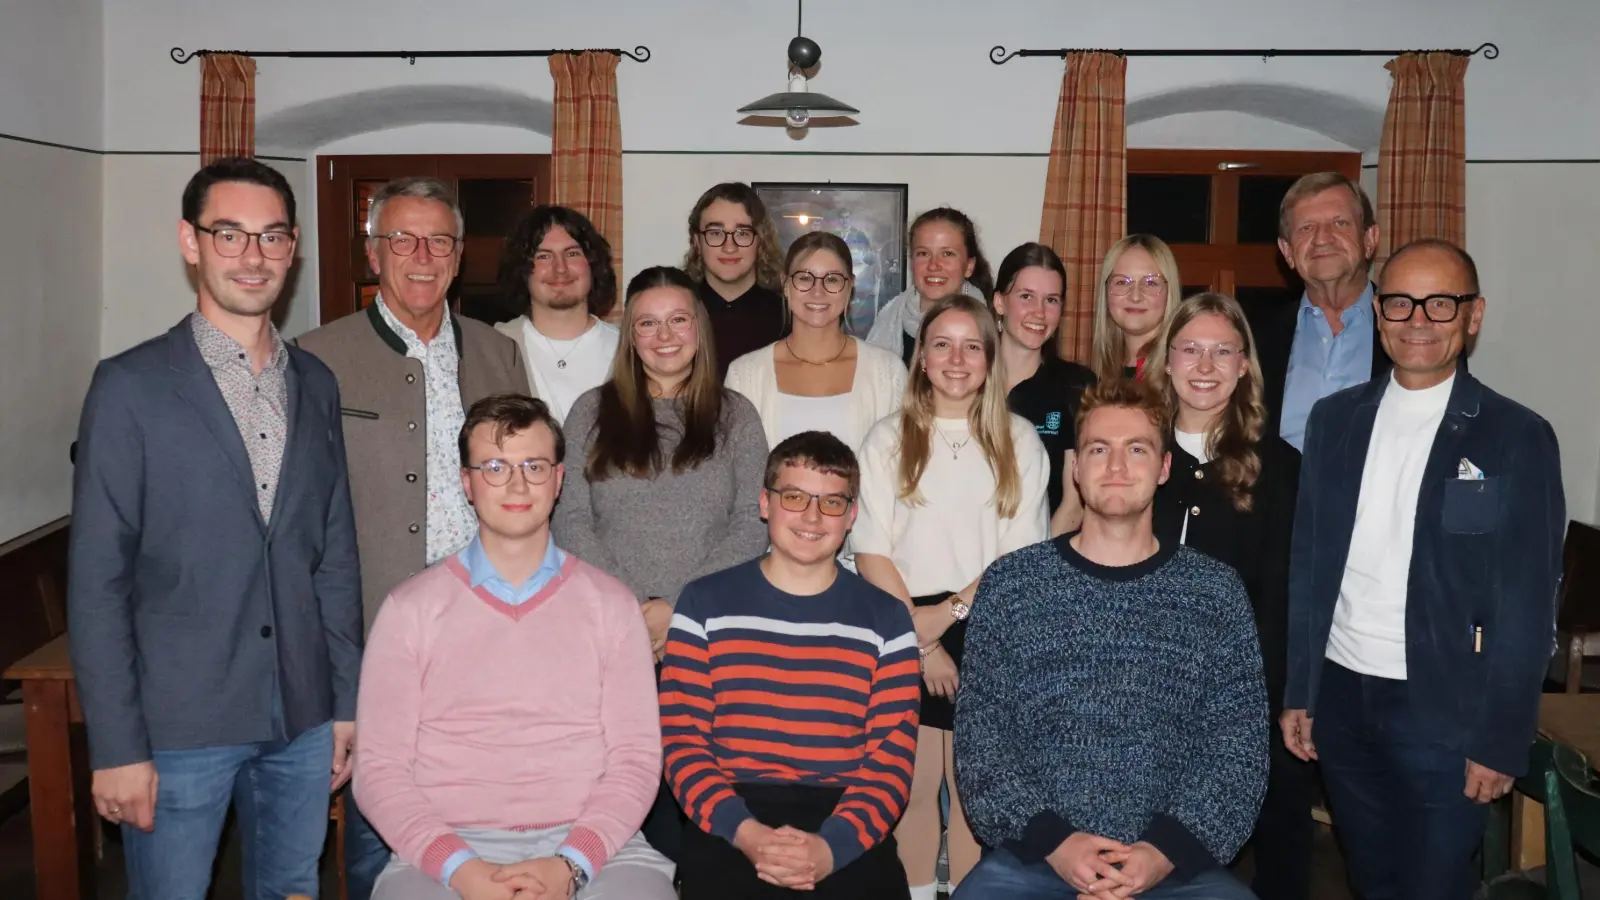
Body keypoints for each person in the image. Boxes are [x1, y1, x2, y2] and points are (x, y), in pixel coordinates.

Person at [68, 157, 363, 899]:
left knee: (292, 887)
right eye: (229, 234)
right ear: (190, 242)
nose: (252, 256)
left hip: (300, 716)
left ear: (294, 249)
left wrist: (344, 703)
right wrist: (117, 746)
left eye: (271, 236)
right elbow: (98, 581)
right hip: (178, 724)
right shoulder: (129, 386)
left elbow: (331, 558)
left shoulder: (317, 383)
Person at [1282, 238, 1565, 900]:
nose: (1417, 320)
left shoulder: (1515, 435)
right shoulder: (1334, 420)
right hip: (1345, 696)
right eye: (1401, 302)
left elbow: (1527, 601)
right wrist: (1302, 688)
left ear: (1474, 315)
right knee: (1372, 876)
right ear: (1378, 313)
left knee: (1434, 884)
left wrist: (1501, 737)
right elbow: (1310, 563)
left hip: (1446, 708)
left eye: (1440, 303)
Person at [296, 175, 528, 899]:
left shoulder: (499, 355)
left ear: (459, 257)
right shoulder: (315, 358)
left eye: (438, 240)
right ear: (373, 253)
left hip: (491, 628)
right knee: (381, 833)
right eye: (402, 238)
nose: (421, 255)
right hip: (373, 633)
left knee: (491, 811)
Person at [953, 378, 1268, 900]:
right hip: (1039, 860)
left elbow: (1237, 756)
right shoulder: (1013, 586)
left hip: (1174, 867)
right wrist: (1060, 845)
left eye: (1137, 449)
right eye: (1099, 449)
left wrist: (1159, 854)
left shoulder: (1215, 593)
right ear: (1075, 468)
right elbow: (982, 749)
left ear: (1164, 468)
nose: (1117, 466)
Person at [356, 394, 675, 900]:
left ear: (559, 478)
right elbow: (378, 770)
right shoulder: (408, 609)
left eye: (533, 465)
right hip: (444, 846)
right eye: (495, 467)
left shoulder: (610, 606)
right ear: (467, 482)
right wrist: (462, 870)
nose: (518, 484)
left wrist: (569, 865)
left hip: (595, 845)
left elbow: (636, 760)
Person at [554, 265, 771, 860]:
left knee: (701, 792)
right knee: (622, 790)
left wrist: (678, 609)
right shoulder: (589, 413)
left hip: (710, 635)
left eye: (678, 320)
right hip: (609, 632)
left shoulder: (737, 416)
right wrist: (636, 611)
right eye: (648, 323)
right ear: (630, 335)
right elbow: (570, 520)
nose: (665, 335)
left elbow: (753, 521)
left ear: (699, 329)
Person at [659, 431, 922, 898]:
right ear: (765, 503)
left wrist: (830, 848)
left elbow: (890, 761)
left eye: (832, 503)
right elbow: (683, 745)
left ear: (852, 515)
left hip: (847, 818)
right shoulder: (703, 603)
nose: (813, 517)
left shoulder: (887, 618)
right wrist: (748, 834)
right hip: (730, 817)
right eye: (795, 496)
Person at [854, 294, 1050, 897]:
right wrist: (919, 641)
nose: (956, 358)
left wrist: (948, 617)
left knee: (972, 793)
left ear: (990, 359)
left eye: (972, 346)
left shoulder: (1019, 440)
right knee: (910, 787)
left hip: (987, 624)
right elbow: (869, 549)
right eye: (941, 344)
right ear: (921, 358)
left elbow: (1018, 559)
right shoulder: (887, 438)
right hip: (898, 621)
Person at [1147, 293, 1308, 900]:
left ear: (1245, 366)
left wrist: (1285, 697)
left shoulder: (1281, 467)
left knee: (1280, 849)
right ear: (1166, 360)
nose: (1205, 365)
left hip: (1252, 703)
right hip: (1147, 696)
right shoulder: (1137, 454)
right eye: (1190, 349)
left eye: (1223, 351)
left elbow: (1292, 593)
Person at [726, 230, 908, 452]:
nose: (817, 292)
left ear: (850, 286)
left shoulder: (888, 373)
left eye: (832, 279)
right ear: (785, 284)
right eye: (804, 278)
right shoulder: (744, 376)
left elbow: (899, 468)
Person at [1251, 172, 1392, 449]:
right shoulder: (1254, 336)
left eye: (1340, 223)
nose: (1322, 239)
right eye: (1306, 228)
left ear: (1370, 239)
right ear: (1287, 251)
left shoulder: (1411, 327)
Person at [992, 241, 1097, 535]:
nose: (1039, 312)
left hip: (1045, 557)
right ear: (1000, 302)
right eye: (1026, 296)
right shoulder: (967, 380)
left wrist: (1032, 569)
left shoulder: (1076, 386)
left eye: (1051, 300)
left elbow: (1074, 505)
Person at [493, 205, 621, 423]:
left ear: (592, 265)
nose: (560, 268)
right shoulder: (494, 347)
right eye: (543, 256)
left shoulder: (629, 348)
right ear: (522, 270)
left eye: (572, 253)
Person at [683, 182, 788, 381]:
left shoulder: (789, 320)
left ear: (760, 241)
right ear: (696, 242)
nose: (729, 247)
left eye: (742, 233)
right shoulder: (675, 316)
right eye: (715, 233)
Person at [865, 208, 994, 365]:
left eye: (947, 254)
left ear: (969, 266)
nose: (933, 265)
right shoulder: (888, 320)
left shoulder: (990, 330)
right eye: (923, 254)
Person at [1088, 233, 1182, 382]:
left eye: (1151, 283)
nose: (1135, 296)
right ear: (1105, 291)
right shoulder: (1092, 376)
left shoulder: (1181, 372)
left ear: (1169, 291)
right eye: (1122, 282)